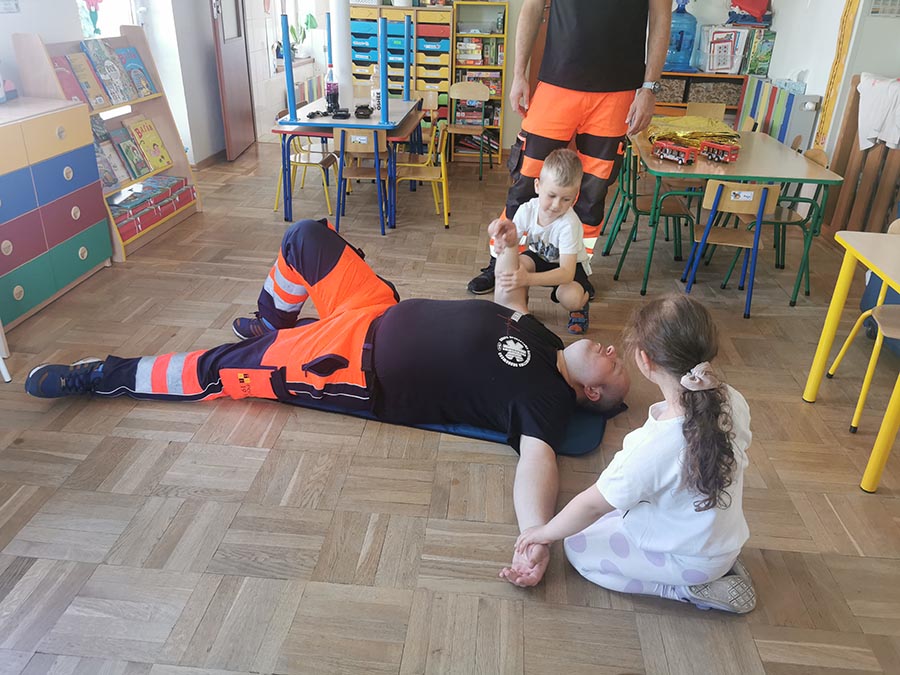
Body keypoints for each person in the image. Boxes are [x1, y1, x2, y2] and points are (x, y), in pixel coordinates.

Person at [25, 218, 630, 587]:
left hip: (349, 361)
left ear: (592, 393)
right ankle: (271, 324)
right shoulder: (548, 341)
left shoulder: (546, 401)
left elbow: (537, 463)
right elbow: (508, 295)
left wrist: (534, 535)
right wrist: (508, 246)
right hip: (376, 308)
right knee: (306, 237)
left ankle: (102, 375)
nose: (610, 350)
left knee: (216, 369)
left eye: (615, 367)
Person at [504, 294, 756, 614]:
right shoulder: (733, 399)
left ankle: (687, 590)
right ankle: (714, 569)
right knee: (613, 511)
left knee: (578, 549)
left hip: (689, 561)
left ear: (644, 360)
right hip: (723, 544)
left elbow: (593, 504)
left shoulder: (651, 446)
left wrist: (542, 533)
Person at [467, 0, 671, 295]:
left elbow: (661, 20)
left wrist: (650, 88)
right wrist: (519, 74)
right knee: (527, 181)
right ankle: (501, 261)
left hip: (617, 94)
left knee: (592, 193)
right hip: (557, 83)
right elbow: (532, 8)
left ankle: (576, 267)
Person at [489, 148, 593, 335]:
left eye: (566, 199)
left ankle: (582, 304)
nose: (556, 205)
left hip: (568, 267)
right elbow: (511, 244)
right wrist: (501, 241)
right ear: (537, 186)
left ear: (575, 197)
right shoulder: (526, 209)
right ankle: (519, 308)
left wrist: (528, 279)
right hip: (539, 256)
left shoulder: (569, 224)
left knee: (570, 297)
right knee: (515, 267)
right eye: (551, 196)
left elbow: (566, 273)